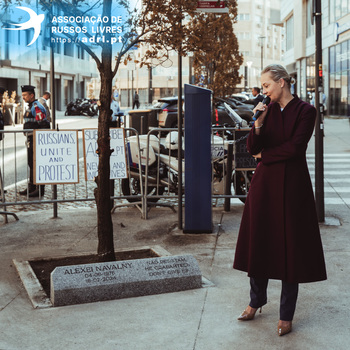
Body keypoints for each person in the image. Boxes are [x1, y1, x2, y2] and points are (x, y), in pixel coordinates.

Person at [233, 64, 327, 337]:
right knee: (259, 242)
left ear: (282, 82)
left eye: (266, 85)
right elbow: (252, 148)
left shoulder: (306, 111)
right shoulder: (267, 110)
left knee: (291, 251)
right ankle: (255, 302)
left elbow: (296, 148)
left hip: (293, 188)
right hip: (264, 186)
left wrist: (265, 156)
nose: (263, 91)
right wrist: (258, 123)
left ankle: (286, 315)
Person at [19, 85, 50, 198]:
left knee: (37, 163)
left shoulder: (36, 106)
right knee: (31, 163)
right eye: (22, 95)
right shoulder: (31, 106)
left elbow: (43, 123)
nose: (23, 97)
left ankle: (40, 188)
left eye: (25, 95)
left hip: (36, 139)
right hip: (31, 138)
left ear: (32, 95)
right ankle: (32, 186)